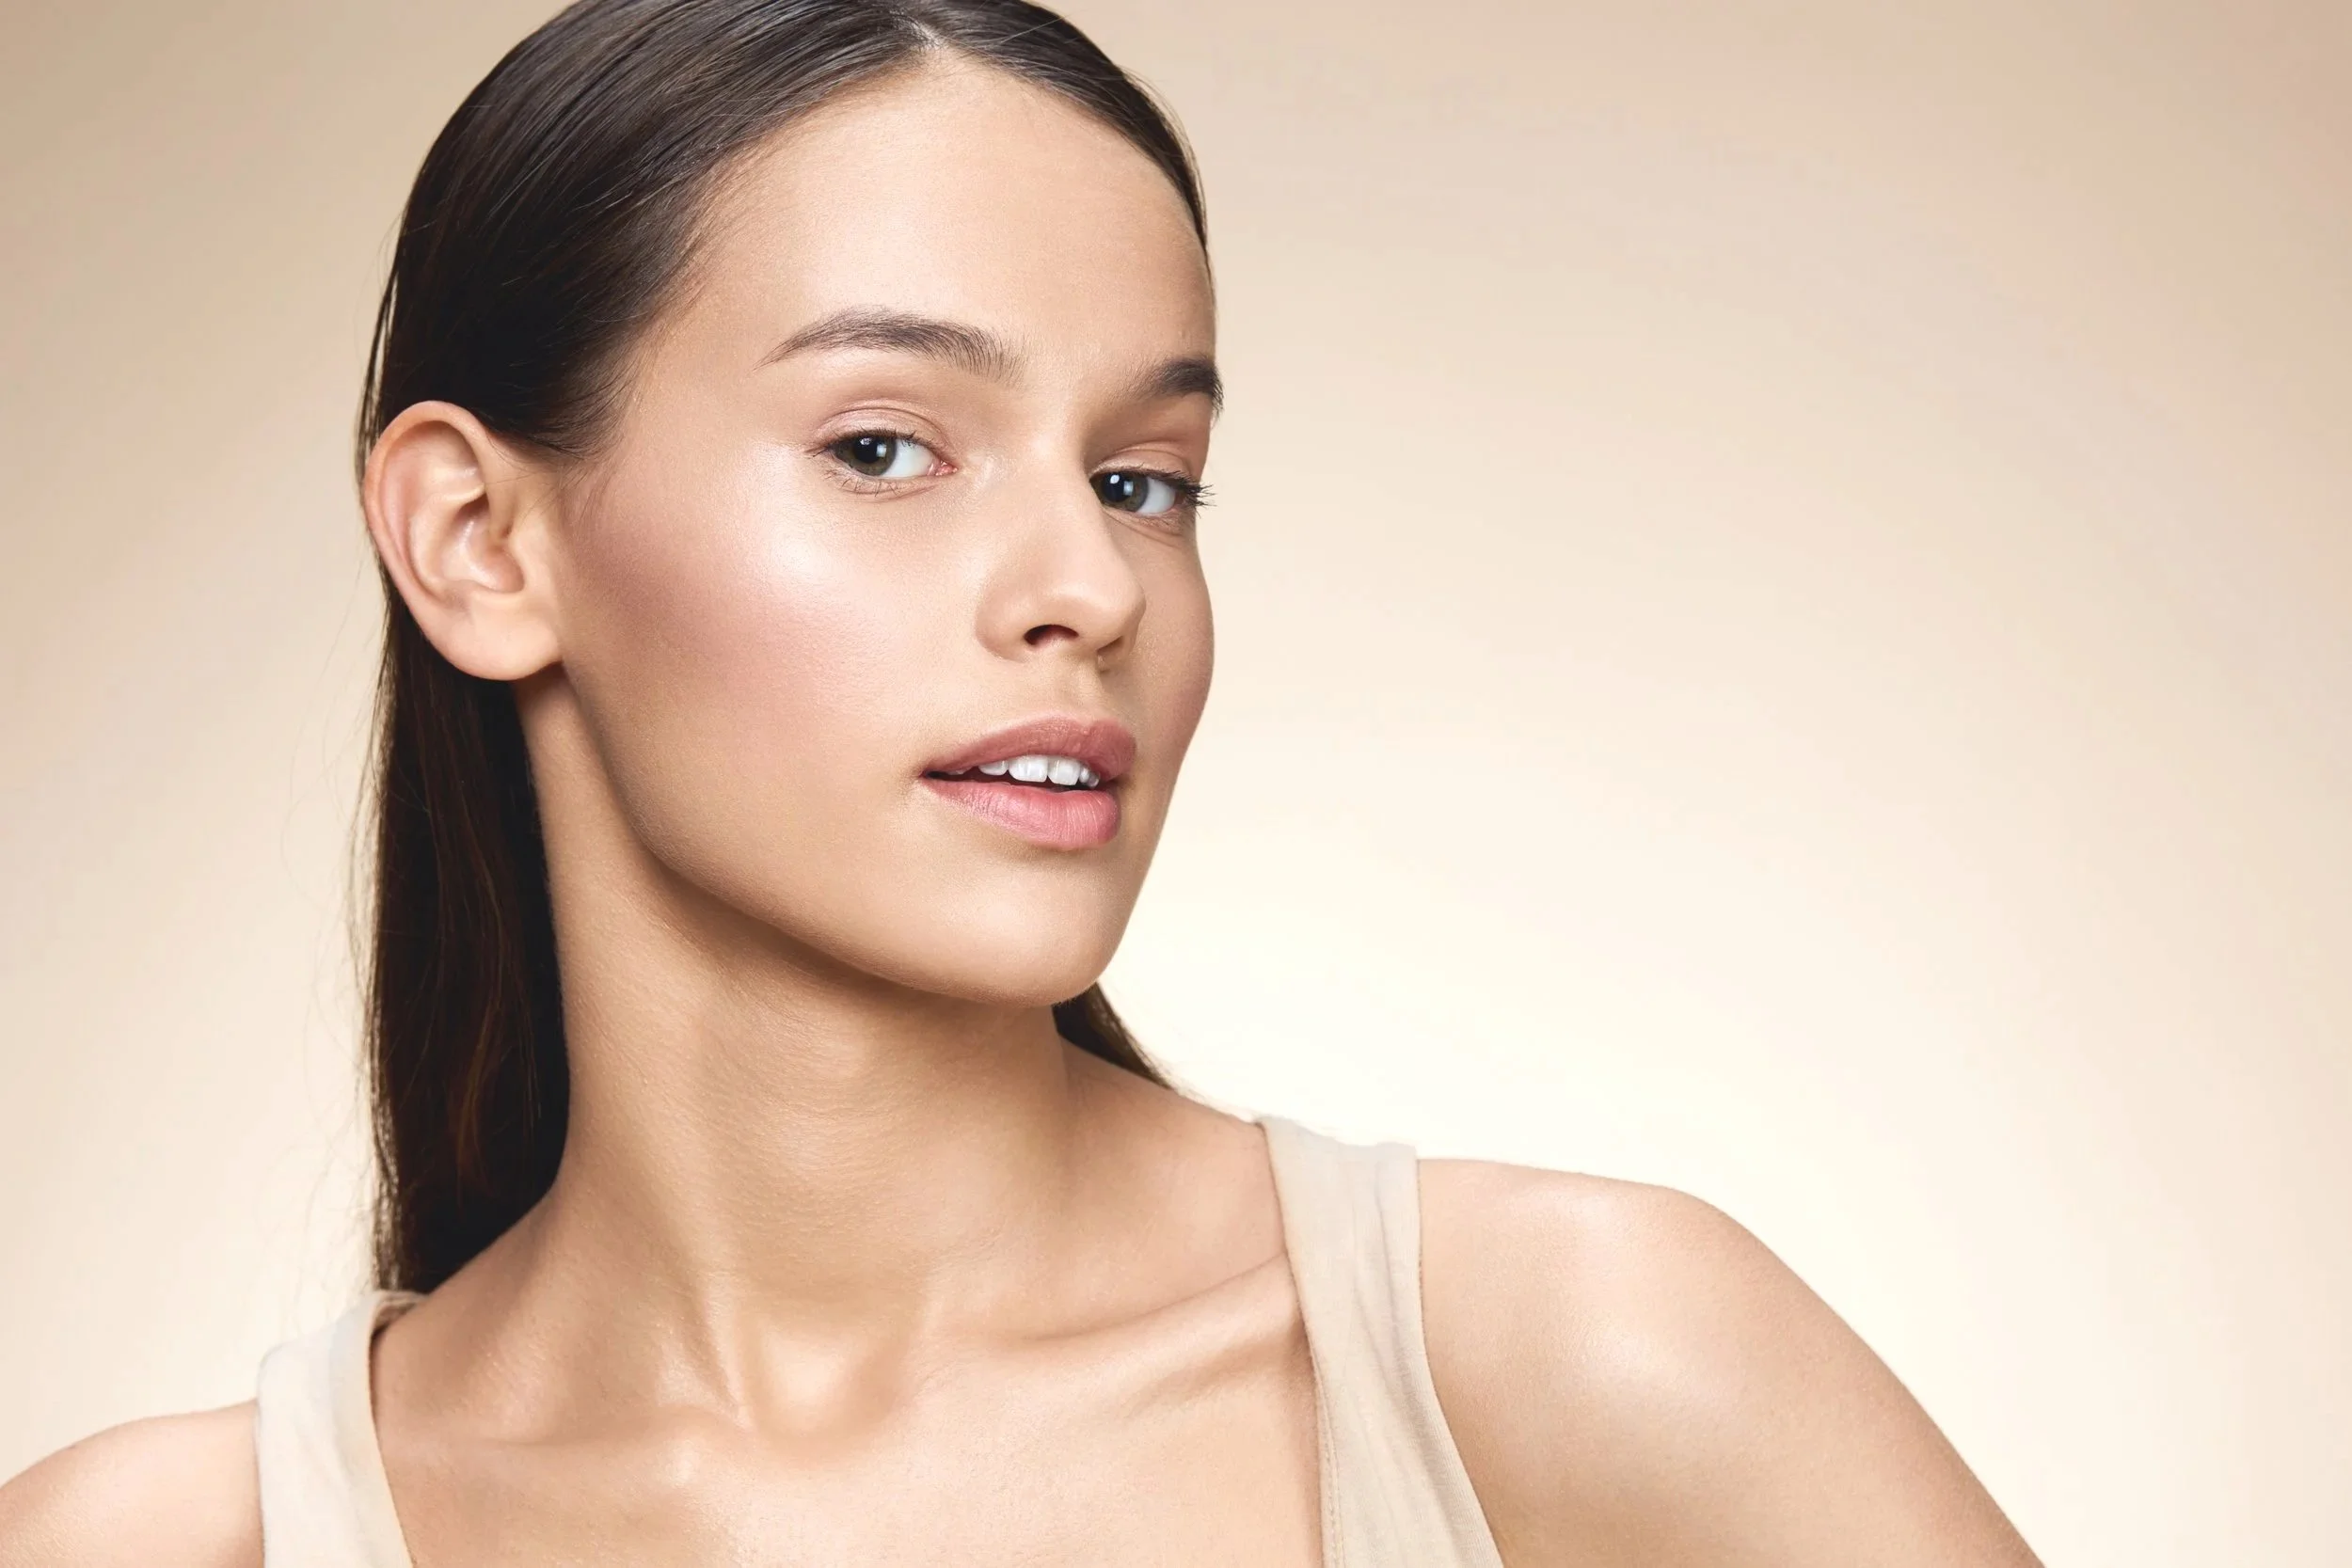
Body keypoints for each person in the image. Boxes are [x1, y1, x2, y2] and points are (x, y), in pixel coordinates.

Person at [0, 2, 2043, 1562]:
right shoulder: (168, 1538)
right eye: (884, 447)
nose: (1088, 585)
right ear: (477, 538)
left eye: (1143, 477)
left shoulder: (1581, 1357)